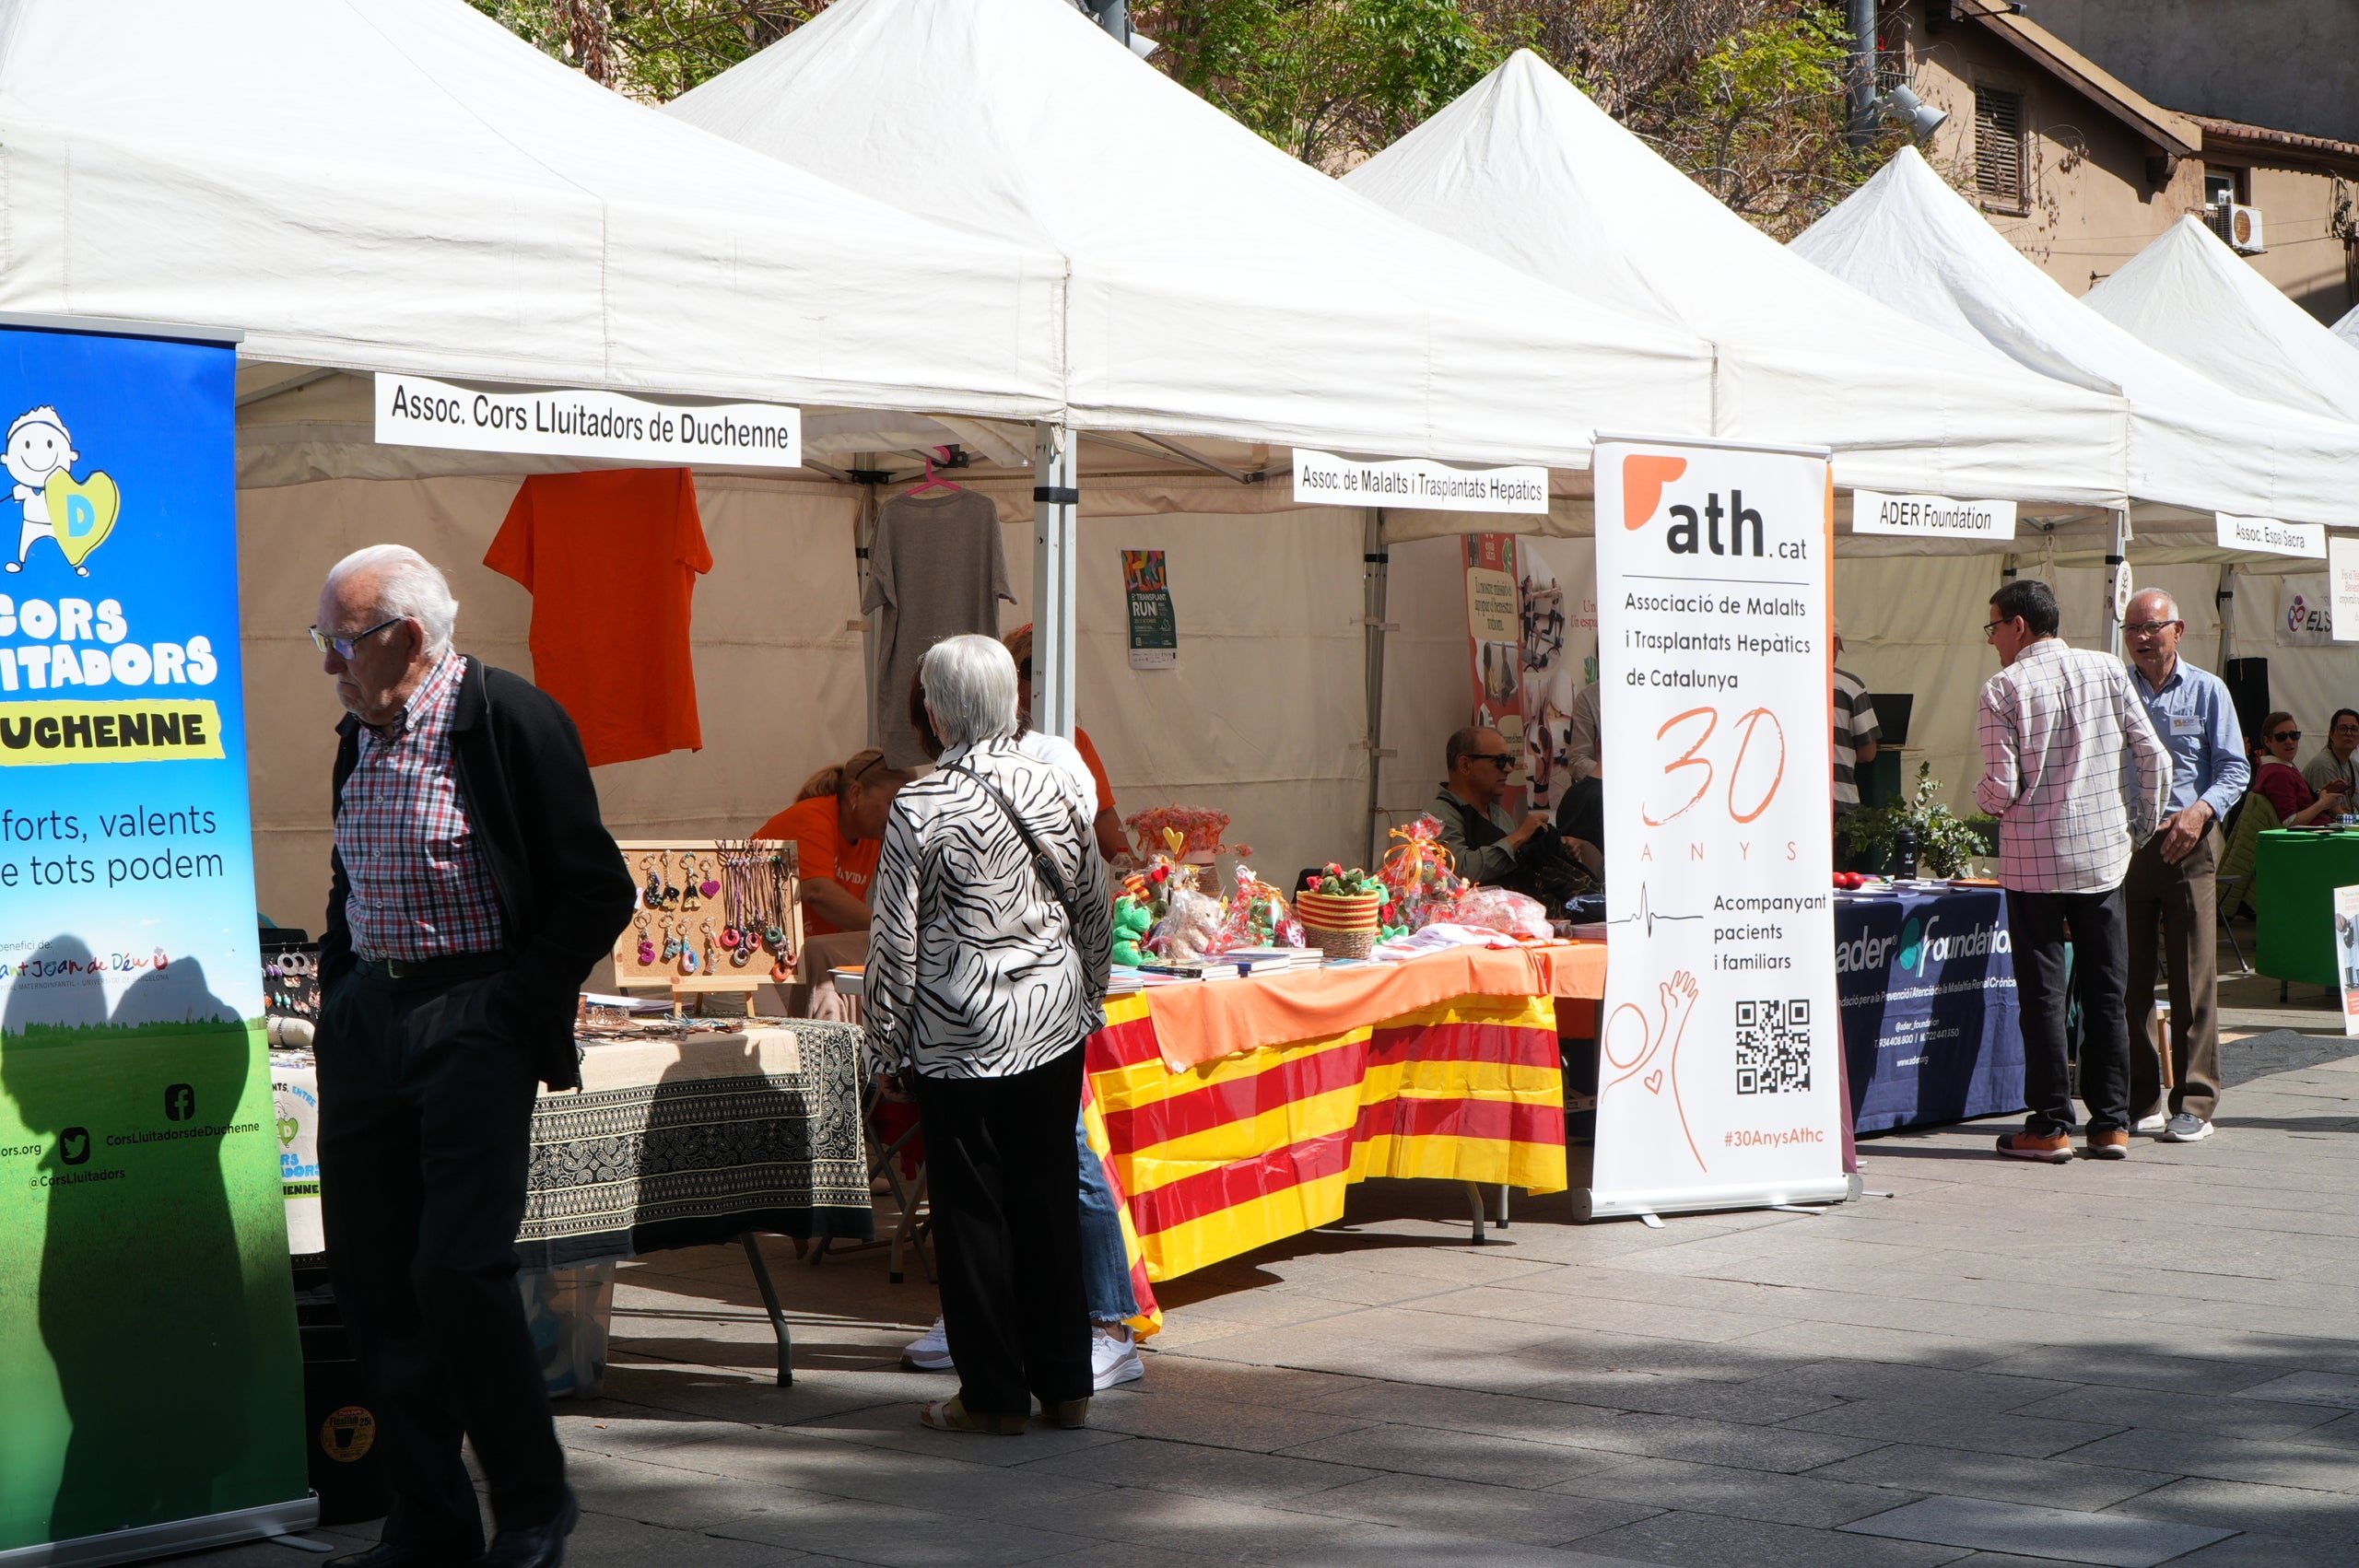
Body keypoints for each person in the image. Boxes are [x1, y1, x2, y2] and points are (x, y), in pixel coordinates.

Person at [311, 545, 634, 1568]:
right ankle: (430, 1518)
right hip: (373, 1022)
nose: (328, 664)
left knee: (457, 1272)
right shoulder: (358, 734)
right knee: (373, 1279)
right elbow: (347, 874)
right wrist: (338, 989)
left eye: (340, 643)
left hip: (471, 1019)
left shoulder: (507, 720)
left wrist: (507, 1008)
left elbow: (597, 889)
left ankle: (532, 1504)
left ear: (404, 640)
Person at [866, 636, 1113, 1435]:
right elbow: (1095, 907)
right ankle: (1067, 1386)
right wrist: (1091, 997)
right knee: (1046, 1197)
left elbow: (893, 938)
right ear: (1011, 699)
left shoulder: (920, 802)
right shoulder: (1058, 778)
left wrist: (883, 1045)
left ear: (935, 710)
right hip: (1052, 1018)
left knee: (973, 1209)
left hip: (957, 1028)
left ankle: (995, 1397)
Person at [1976, 579, 2169, 1164]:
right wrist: (2136, 829)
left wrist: (1982, 798)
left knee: (2043, 996)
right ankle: (2111, 1123)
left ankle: (2052, 1124)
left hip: (2034, 863)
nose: (1992, 642)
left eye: (1993, 629)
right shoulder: (2108, 669)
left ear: (2018, 626)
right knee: (2108, 993)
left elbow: (2002, 786)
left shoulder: (2002, 688)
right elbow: (2153, 757)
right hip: (2103, 859)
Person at [2120, 591, 2248, 1147]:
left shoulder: (2207, 690)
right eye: (2132, 630)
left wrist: (2200, 811)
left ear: (2179, 629)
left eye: (2152, 627)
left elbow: (2235, 768)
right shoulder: (2115, 688)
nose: (2142, 638)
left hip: (2188, 840)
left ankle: (2195, 1101)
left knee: (2194, 976)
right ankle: (2141, 1098)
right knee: (2130, 979)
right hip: (2128, 845)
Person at [752, 750, 916, 937]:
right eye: (893, 803)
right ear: (856, 793)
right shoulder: (813, 817)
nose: (902, 815)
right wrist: (896, 929)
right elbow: (818, 893)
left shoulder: (871, 837)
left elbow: (847, 920)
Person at [1003, 623, 1130, 864]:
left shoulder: (1075, 739)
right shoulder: (992, 740)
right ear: (1011, 678)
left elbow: (1101, 814)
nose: (1046, 679)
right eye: (1034, 669)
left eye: (1055, 669)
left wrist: (1130, 866)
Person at [1431, 726, 1563, 887]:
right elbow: (1458, 873)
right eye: (1500, 761)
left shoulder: (1499, 815)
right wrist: (1519, 836)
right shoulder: (1435, 819)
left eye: (1510, 760)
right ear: (1465, 765)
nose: (1509, 769)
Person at [2253, 711, 2350, 827]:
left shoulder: (2283, 767)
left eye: (2294, 735)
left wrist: (2321, 794)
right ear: (2267, 741)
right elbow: (2290, 822)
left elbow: (2300, 804)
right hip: (2316, 840)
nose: (2289, 741)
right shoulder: (2278, 773)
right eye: (2281, 737)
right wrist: (2323, 803)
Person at [1832, 621, 1881, 825]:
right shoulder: (1849, 686)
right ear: (1834, 643)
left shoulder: (1779, 683)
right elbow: (1868, 753)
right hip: (1838, 800)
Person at [2303, 708, 2359, 802]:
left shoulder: (2354, 766)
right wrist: (2354, 817)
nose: (2349, 733)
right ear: (2332, 734)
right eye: (2343, 728)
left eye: (2354, 729)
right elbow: (2334, 812)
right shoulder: (2323, 765)